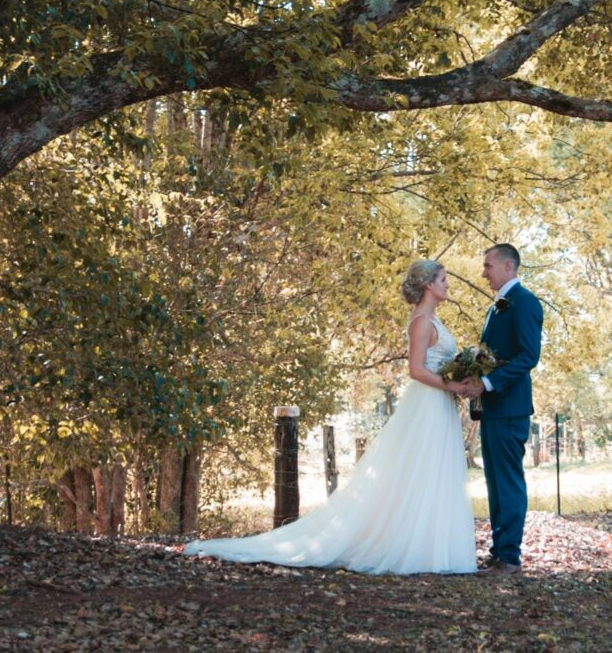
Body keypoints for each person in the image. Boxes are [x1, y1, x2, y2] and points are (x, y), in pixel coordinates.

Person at [183, 259, 477, 573]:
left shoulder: (434, 320)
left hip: (439, 403)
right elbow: (416, 369)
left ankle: (432, 547)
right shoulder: (420, 321)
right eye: (444, 279)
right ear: (430, 285)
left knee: (434, 471)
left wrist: (459, 375)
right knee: (421, 470)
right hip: (427, 405)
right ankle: (413, 547)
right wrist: (453, 384)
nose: (447, 285)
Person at [462, 241, 543, 571]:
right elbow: (491, 354)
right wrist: (467, 373)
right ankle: (500, 549)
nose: (483, 273)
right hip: (493, 409)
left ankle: (510, 555)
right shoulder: (494, 308)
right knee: (495, 482)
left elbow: (528, 356)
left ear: (508, 267)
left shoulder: (525, 303)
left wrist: (488, 383)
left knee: (508, 481)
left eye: (488, 266)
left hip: (510, 408)